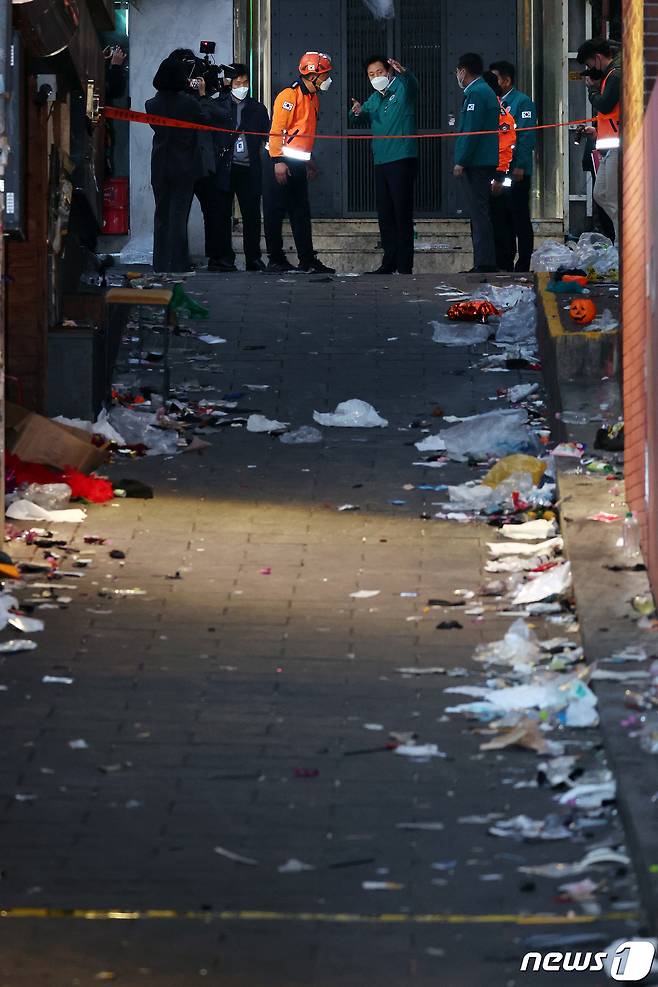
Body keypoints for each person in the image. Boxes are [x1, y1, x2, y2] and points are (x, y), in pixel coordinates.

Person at [264, 51, 335, 274]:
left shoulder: (313, 98)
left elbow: (303, 134)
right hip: (279, 161)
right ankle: (275, 259)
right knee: (275, 211)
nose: (328, 79)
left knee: (300, 212)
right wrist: (278, 161)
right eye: (325, 75)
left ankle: (307, 260)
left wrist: (309, 162)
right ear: (313, 76)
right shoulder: (289, 95)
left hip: (296, 162)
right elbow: (277, 131)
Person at [349, 55, 418, 275]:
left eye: (379, 72)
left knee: (402, 213)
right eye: (371, 74)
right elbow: (357, 118)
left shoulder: (402, 88)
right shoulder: (375, 98)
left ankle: (405, 265)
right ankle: (389, 262)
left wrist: (404, 72)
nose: (376, 77)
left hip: (401, 159)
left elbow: (414, 86)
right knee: (385, 214)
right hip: (381, 161)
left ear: (389, 71)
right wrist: (356, 111)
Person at [146, 54, 213, 273]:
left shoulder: (151, 104)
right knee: (178, 216)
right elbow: (205, 119)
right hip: (184, 165)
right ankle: (178, 262)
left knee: (161, 215)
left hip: (159, 165)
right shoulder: (189, 104)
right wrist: (202, 95)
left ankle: (160, 263)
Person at [210, 64, 270, 272]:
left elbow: (267, 136)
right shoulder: (217, 105)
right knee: (222, 215)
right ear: (229, 83)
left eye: (245, 83)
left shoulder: (258, 109)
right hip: (224, 168)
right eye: (237, 83)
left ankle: (253, 258)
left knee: (252, 215)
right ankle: (224, 258)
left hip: (249, 168)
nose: (242, 87)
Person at [453, 52, 500, 273]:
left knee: (478, 212)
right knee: (480, 212)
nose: (457, 75)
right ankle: (483, 260)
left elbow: (470, 131)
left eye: (458, 71)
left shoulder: (477, 93)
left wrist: (461, 160)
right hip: (483, 160)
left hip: (478, 162)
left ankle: (484, 261)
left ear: (464, 70)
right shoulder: (480, 91)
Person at [489, 60, 537, 271]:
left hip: (516, 171)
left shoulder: (522, 102)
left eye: (496, 78)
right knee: (501, 218)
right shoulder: (495, 102)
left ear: (506, 81)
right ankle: (505, 262)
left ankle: (524, 263)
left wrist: (521, 166)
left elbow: (526, 136)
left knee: (519, 217)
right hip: (500, 170)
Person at [576, 38, 621, 243]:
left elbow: (604, 105)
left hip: (621, 147)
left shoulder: (615, 75)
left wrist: (592, 90)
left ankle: (624, 242)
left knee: (610, 196)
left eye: (588, 64)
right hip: (611, 147)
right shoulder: (611, 75)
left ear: (597, 58)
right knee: (601, 194)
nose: (589, 69)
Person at [483, 71, 517, 271]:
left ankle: (502, 264)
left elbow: (505, 147)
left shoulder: (499, 112)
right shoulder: (492, 108)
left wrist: (498, 177)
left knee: (500, 221)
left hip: (498, 176)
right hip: (494, 173)